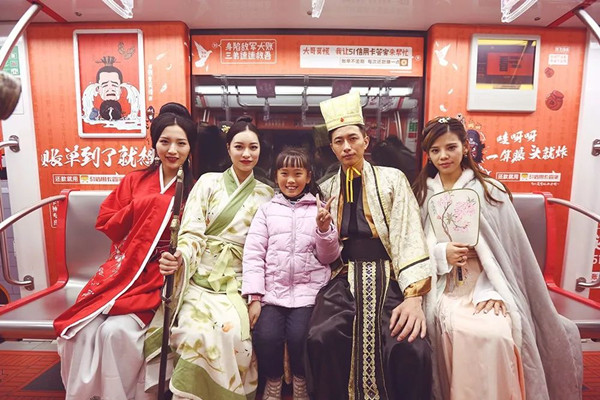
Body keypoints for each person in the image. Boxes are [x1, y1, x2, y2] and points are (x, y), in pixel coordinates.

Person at [413, 116, 583, 400]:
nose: (443, 156)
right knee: (460, 330)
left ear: (465, 147)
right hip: (444, 287)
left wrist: (493, 290)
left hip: (487, 284)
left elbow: (510, 255)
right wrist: (441, 254)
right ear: (428, 154)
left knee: (496, 334)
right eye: (435, 150)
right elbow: (413, 249)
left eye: (451, 147)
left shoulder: (490, 191)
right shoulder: (421, 194)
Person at [53, 107, 196, 400]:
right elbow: (107, 221)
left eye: (181, 143)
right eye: (165, 141)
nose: (172, 150)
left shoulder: (196, 188)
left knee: (115, 332)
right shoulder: (134, 181)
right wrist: (150, 206)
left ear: (190, 147)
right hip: (122, 270)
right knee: (80, 331)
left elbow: (198, 235)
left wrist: (179, 254)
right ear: (154, 143)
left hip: (158, 276)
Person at [305, 92, 433, 400]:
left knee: (411, 346)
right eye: (339, 141)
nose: (346, 147)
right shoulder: (326, 188)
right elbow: (323, 250)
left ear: (366, 140)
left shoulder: (393, 180)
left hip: (390, 276)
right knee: (320, 336)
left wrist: (414, 297)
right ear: (332, 147)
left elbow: (408, 234)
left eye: (353, 138)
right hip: (344, 277)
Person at [148, 116, 274, 400]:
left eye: (253, 147)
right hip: (201, 277)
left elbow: (266, 250)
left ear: (260, 151)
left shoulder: (267, 194)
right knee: (194, 332)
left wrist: (256, 295)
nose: (246, 154)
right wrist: (181, 257)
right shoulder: (207, 182)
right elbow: (191, 231)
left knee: (235, 335)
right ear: (228, 148)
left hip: (239, 282)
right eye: (239, 147)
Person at [241, 147, 341, 400]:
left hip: (308, 294)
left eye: (298, 173)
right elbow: (253, 254)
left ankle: (300, 382)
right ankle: (273, 381)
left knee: (300, 338)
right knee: (266, 336)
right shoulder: (266, 210)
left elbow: (329, 258)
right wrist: (255, 297)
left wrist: (324, 229)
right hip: (272, 294)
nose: (291, 180)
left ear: (309, 176)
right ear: (275, 176)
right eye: (284, 173)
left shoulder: (319, 210)